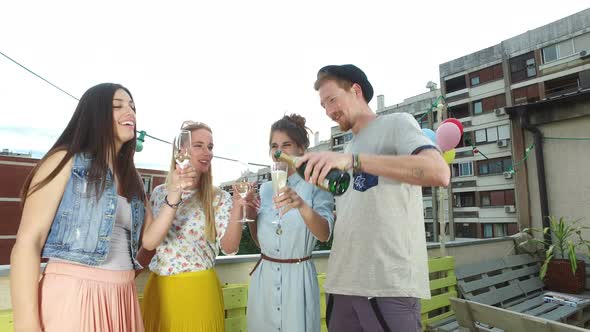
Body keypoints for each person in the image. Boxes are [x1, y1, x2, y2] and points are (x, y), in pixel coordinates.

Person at [10, 83, 192, 332]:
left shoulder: (133, 177)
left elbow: (149, 241)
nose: (130, 112)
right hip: (74, 295)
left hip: (122, 296)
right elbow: (28, 242)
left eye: (132, 107)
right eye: (118, 106)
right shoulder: (64, 161)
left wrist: (175, 193)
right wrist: (26, 324)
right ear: (95, 115)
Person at [298, 64, 450, 332]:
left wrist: (355, 161)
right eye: (323, 105)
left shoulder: (396, 124)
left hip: (386, 285)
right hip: (342, 284)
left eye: (332, 99)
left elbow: (438, 172)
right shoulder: (347, 148)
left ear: (356, 90)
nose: (328, 111)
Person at [141, 120, 244, 332]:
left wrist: (238, 205)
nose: (208, 152)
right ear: (181, 151)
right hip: (159, 291)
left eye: (210, 146)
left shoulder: (219, 197)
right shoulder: (160, 193)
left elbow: (230, 248)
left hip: (200, 293)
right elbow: (149, 246)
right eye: (199, 145)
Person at [246, 114, 335, 332]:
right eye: (274, 146)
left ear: (301, 150)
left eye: (286, 145)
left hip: (298, 280)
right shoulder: (266, 188)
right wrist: (248, 210)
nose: (279, 152)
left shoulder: (317, 185)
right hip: (264, 280)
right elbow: (259, 242)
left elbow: (324, 234)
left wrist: (301, 205)